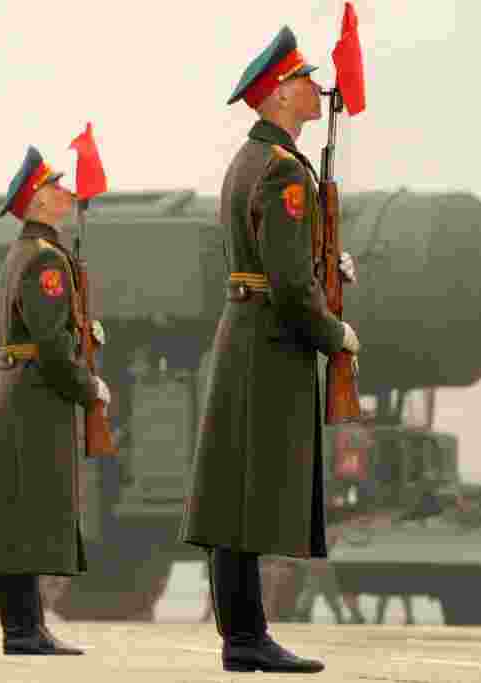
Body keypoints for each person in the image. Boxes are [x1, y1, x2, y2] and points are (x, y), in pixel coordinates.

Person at [178, 25, 361, 674]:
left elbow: (273, 257)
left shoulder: (251, 161)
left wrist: (321, 257)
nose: (318, 89)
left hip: (245, 331)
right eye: (307, 79)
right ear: (281, 94)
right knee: (246, 498)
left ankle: (244, 636)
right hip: (270, 342)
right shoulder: (284, 172)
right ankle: (247, 637)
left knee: (233, 495)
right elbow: (287, 282)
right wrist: (336, 332)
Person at [0, 145, 111, 655]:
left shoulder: (25, 254)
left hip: (22, 388)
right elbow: (51, 345)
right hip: (36, 392)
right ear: (36, 201)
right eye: (57, 186)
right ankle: (24, 630)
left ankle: (25, 627)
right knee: (28, 511)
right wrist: (86, 384)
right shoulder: (45, 260)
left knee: (20, 512)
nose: (68, 193)